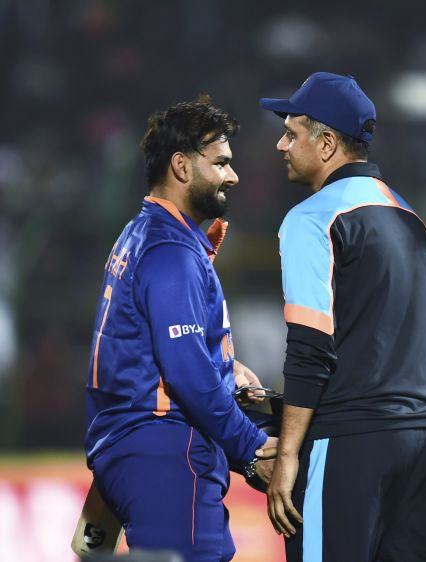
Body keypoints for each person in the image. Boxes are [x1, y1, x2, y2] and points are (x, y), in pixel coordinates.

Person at [257, 72, 426, 562]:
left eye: (292, 132)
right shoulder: (410, 217)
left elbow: (310, 346)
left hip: (353, 443)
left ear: (326, 144)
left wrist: (286, 457)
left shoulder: (312, 218)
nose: (281, 144)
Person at [84, 94, 276, 561]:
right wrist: (253, 448)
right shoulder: (170, 251)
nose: (232, 175)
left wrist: (225, 366)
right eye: (221, 163)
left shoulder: (140, 233)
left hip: (127, 442)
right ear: (182, 167)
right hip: (162, 450)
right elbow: (186, 372)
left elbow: (151, 346)